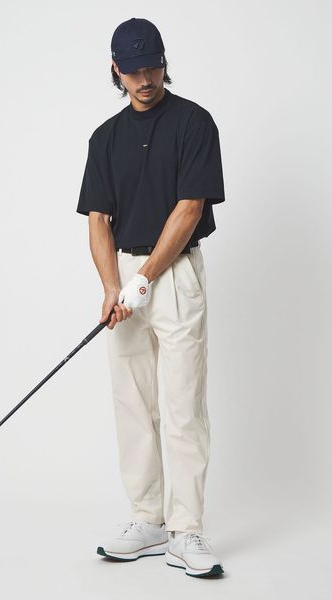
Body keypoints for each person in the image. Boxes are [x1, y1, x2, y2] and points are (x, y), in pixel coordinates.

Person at [76, 17, 226, 578]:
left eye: (152, 67)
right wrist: (112, 286)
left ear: (164, 63)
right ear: (115, 69)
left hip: (175, 273)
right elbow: (97, 219)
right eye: (133, 70)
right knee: (133, 402)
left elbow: (190, 208)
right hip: (126, 276)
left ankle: (186, 530)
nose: (144, 80)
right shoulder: (104, 138)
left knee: (183, 403)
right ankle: (148, 519)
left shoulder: (194, 123)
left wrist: (144, 281)